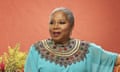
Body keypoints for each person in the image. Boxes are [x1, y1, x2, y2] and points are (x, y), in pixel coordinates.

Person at [24, 7, 120, 72]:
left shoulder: (87, 50)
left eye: (61, 22)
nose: (55, 26)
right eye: (52, 23)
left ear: (71, 26)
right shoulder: (37, 50)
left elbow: (115, 60)